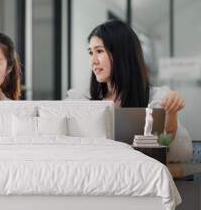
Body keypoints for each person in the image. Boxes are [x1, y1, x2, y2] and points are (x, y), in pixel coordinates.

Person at [67, 19, 193, 162]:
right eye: (91, 52)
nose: (93, 61)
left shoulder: (155, 99)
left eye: (100, 51)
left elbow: (181, 154)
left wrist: (171, 115)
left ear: (121, 53)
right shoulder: (81, 100)